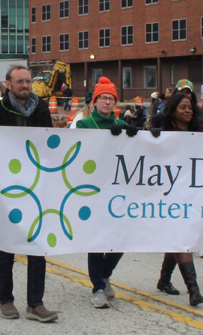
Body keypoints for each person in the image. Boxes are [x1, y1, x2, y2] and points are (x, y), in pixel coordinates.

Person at [0, 65, 58, 323]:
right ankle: (5, 300)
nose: (25, 85)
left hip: (36, 185)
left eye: (28, 81)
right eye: (20, 81)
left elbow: (50, 144)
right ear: (8, 84)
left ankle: (35, 304)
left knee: (37, 247)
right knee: (7, 245)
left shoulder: (40, 109)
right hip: (6, 188)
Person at [76, 76, 138, 309]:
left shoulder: (123, 126)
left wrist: (134, 135)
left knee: (121, 238)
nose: (107, 102)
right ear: (94, 101)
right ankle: (98, 288)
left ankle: (104, 274)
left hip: (119, 191)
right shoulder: (84, 125)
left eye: (111, 98)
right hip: (93, 190)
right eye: (103, 98)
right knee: (97, 240)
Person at [156, 93, 203, 307]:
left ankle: (164, 279)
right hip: (166, 192)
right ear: (173, 110)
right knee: (181, 236)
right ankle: (193, 291)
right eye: (183, 107)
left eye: (190, 107)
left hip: (191, 191)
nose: (188, 111)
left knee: (177, 235)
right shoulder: (162, 130)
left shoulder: (201, 131)